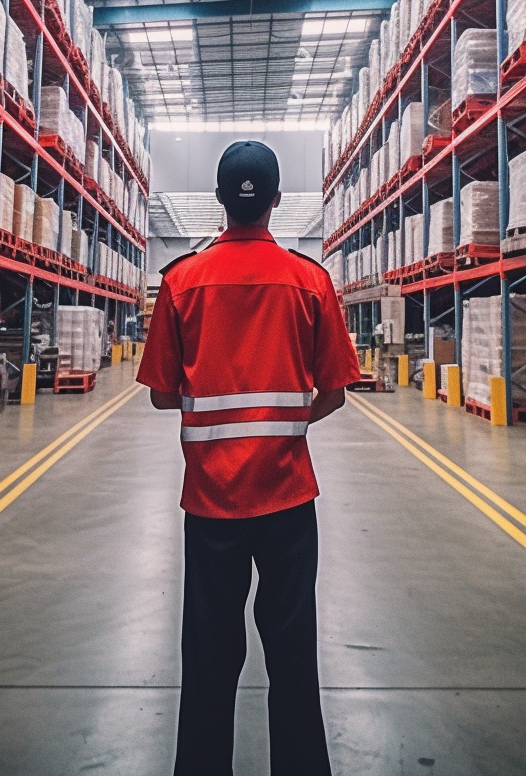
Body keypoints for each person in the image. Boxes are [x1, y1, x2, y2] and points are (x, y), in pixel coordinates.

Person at [137, 140, 360, 776]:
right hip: (289, 499)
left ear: (217, 201)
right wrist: (283, 423)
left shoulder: (180, 281)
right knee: (293, 656)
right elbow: (336, 394)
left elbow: (159, 395)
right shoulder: (309, 280)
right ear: (277, 202)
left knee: (208, 658)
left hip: (210, 506)